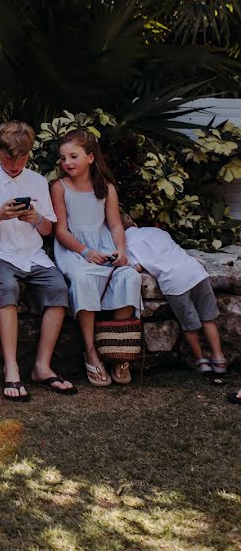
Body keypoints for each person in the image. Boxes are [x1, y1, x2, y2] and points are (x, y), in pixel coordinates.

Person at [0, 121, 75, 401]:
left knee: (58, 290)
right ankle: (12, 367)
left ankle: (42, 366)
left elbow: (47, 229)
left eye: (23, 157)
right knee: (7, 289)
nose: (16, 164)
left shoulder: (38, 182)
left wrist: (36, 218)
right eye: (9, 157)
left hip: (33, 254)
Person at [52, 129, 141, 387]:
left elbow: (115, 226)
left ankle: (119, 351)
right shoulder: (59, 188)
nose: (67, 162)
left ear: (90, 157)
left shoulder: (107, 187)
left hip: (104, 248)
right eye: (63, 158)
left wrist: (121, 251)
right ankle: (91, 352)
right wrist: (85, 252)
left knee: (128, 277)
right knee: (82, 279)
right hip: (75, 251)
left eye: (73, 156)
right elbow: (60, 231)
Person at [121, 213, 227, 374]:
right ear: (134, 224)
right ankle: (219, 359)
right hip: (195, 272)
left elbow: (137, 267)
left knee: (189, 324)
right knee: (208, 318)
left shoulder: (126, 244)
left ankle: (202, 362)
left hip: (174, 283)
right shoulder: (156, 231)